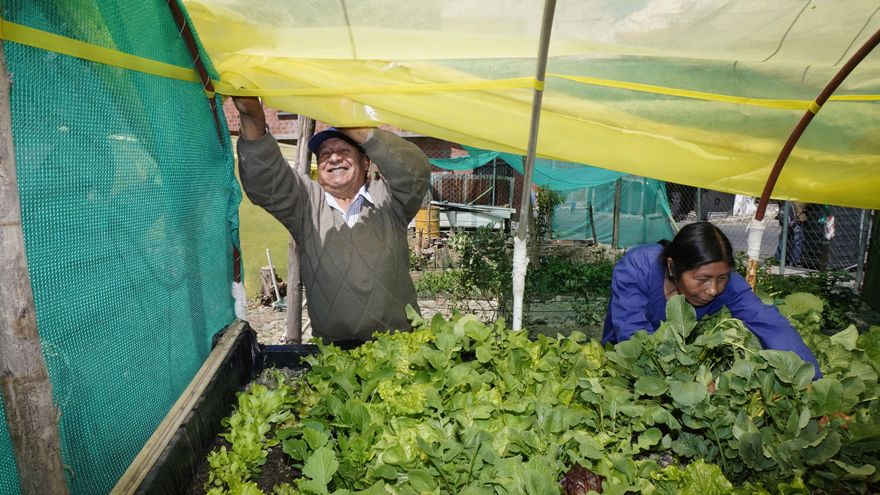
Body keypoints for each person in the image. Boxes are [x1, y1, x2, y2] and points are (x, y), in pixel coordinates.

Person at [233, 97, 430, 344]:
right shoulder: (305, 204)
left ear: (365, 162)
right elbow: (265, 182)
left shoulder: (390, 200)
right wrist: (253, 118)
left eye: (344, 151)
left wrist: (366, 135)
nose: (334, 158)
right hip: (334, 355)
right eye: (325, 154)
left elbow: (415, 171)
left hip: (400, 347)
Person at [602, 222, 821, 377]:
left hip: (684, 360)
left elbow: (771, 325)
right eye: (702, 278)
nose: (713, 290)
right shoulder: (638, 268)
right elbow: (632, 334)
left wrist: (807, 376)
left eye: (722, 277)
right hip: (622, 351)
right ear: (671, 267)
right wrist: (685, 379)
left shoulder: (729, 286)